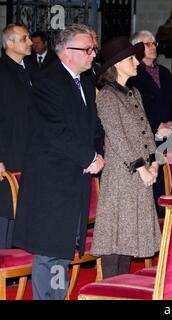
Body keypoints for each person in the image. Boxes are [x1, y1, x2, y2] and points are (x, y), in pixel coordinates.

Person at [12, 24, 105, 300]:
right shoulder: (46, 82)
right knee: (52, 252)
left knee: (63, 250)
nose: (92, 55)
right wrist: (88, 157)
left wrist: (97, 154)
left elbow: (95, 128)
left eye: (94, 49)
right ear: (66, 52)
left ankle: (57, 296)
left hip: (75, 178)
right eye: (87, 49)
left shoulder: (86, 83)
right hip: (51, 184)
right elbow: (55, 130)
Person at [90, 37, 162, 279]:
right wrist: (141, 167)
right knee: (116, 233)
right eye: (132, 58)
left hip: (140, 173)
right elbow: (117, 136)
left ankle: (122, 286)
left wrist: (154, 161)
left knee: (129, 236)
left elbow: (146, 129)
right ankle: (109, 288)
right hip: (122, 174)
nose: (137, 63)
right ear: (118, 63)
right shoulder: (107, 96)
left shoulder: (134, 92)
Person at [129, 30, 172, 217]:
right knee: (150, 190)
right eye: (147, 44)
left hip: (169, 136)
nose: (153, 47)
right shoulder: (133, 73)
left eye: (154, 43)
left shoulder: (165, 72)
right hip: (146, 137)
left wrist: (171, 124)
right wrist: (157, 126)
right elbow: (135, 109)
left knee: (169, 186)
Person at [0, 24, 33, 248]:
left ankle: (17, 266)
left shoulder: (30, 69)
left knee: (21, 211)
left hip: (27, 152)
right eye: (24, 38)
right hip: (6, 152)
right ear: (9, 43)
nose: (30, 42)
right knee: (4, 212)